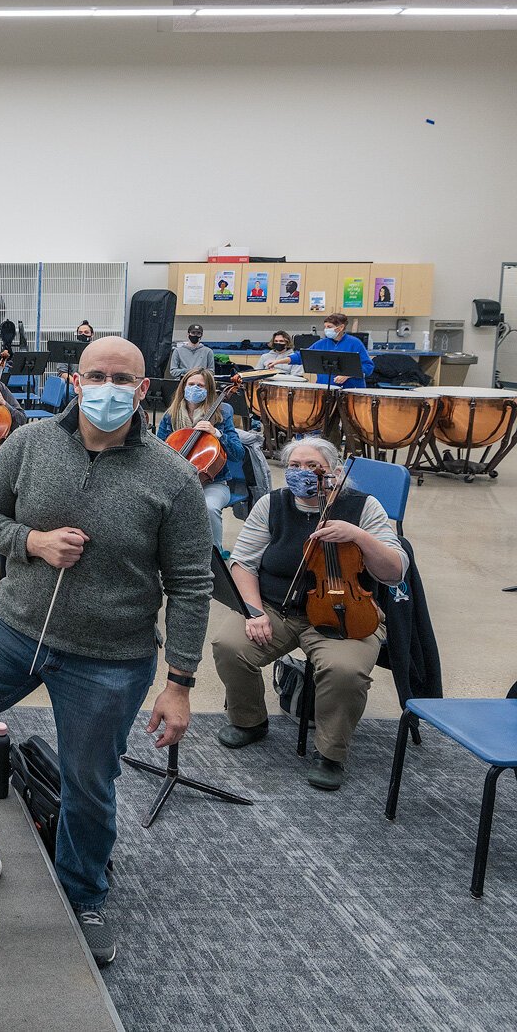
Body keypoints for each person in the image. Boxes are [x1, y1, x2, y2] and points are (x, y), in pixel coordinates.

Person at [0, 336, 212, 968]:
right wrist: (33, 542)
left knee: (88, 781)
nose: (108, 388)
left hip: (111, 655)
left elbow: (191, 583)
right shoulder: (28, 442)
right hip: (12, 626)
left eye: (122, 379)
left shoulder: (174, 477)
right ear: (75, 381)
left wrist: (180, 681)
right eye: (96, 375)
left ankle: (83, 893)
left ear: (143, 388)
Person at [212, 437, 405, 791]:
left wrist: (359, 536)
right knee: (228, 644)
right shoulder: (272, 504)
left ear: (333, 472)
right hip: (276, 606)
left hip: (345, 612)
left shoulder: (363, 507)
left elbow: (394, 571)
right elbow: (243, 564)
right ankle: (249, 721)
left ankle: (330, 754)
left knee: (345, 670)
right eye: (294, 467)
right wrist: (254, 612)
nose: (302, 474)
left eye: (312, 466)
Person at [156, 368, 245, 550]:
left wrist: (217, 433)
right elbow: (157, 451)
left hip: (214, 483)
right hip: (176, 483)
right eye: (191, 385)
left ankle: (216, 555)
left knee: (209, 508)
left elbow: (238, 453)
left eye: (200, 386)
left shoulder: (222, 413)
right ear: (183, 387)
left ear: (209, 390)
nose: (195, 388)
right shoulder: (170, 415)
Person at [265, 313, 374, 388]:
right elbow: (302, 356)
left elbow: (368, 367)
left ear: (340, 328)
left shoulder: (355, 343)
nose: (326, 329)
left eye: (329, 326)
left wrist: (348, 375)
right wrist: (278, 361)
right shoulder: (322, 343)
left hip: (350, 390)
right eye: (325, 326)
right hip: (324, 389)